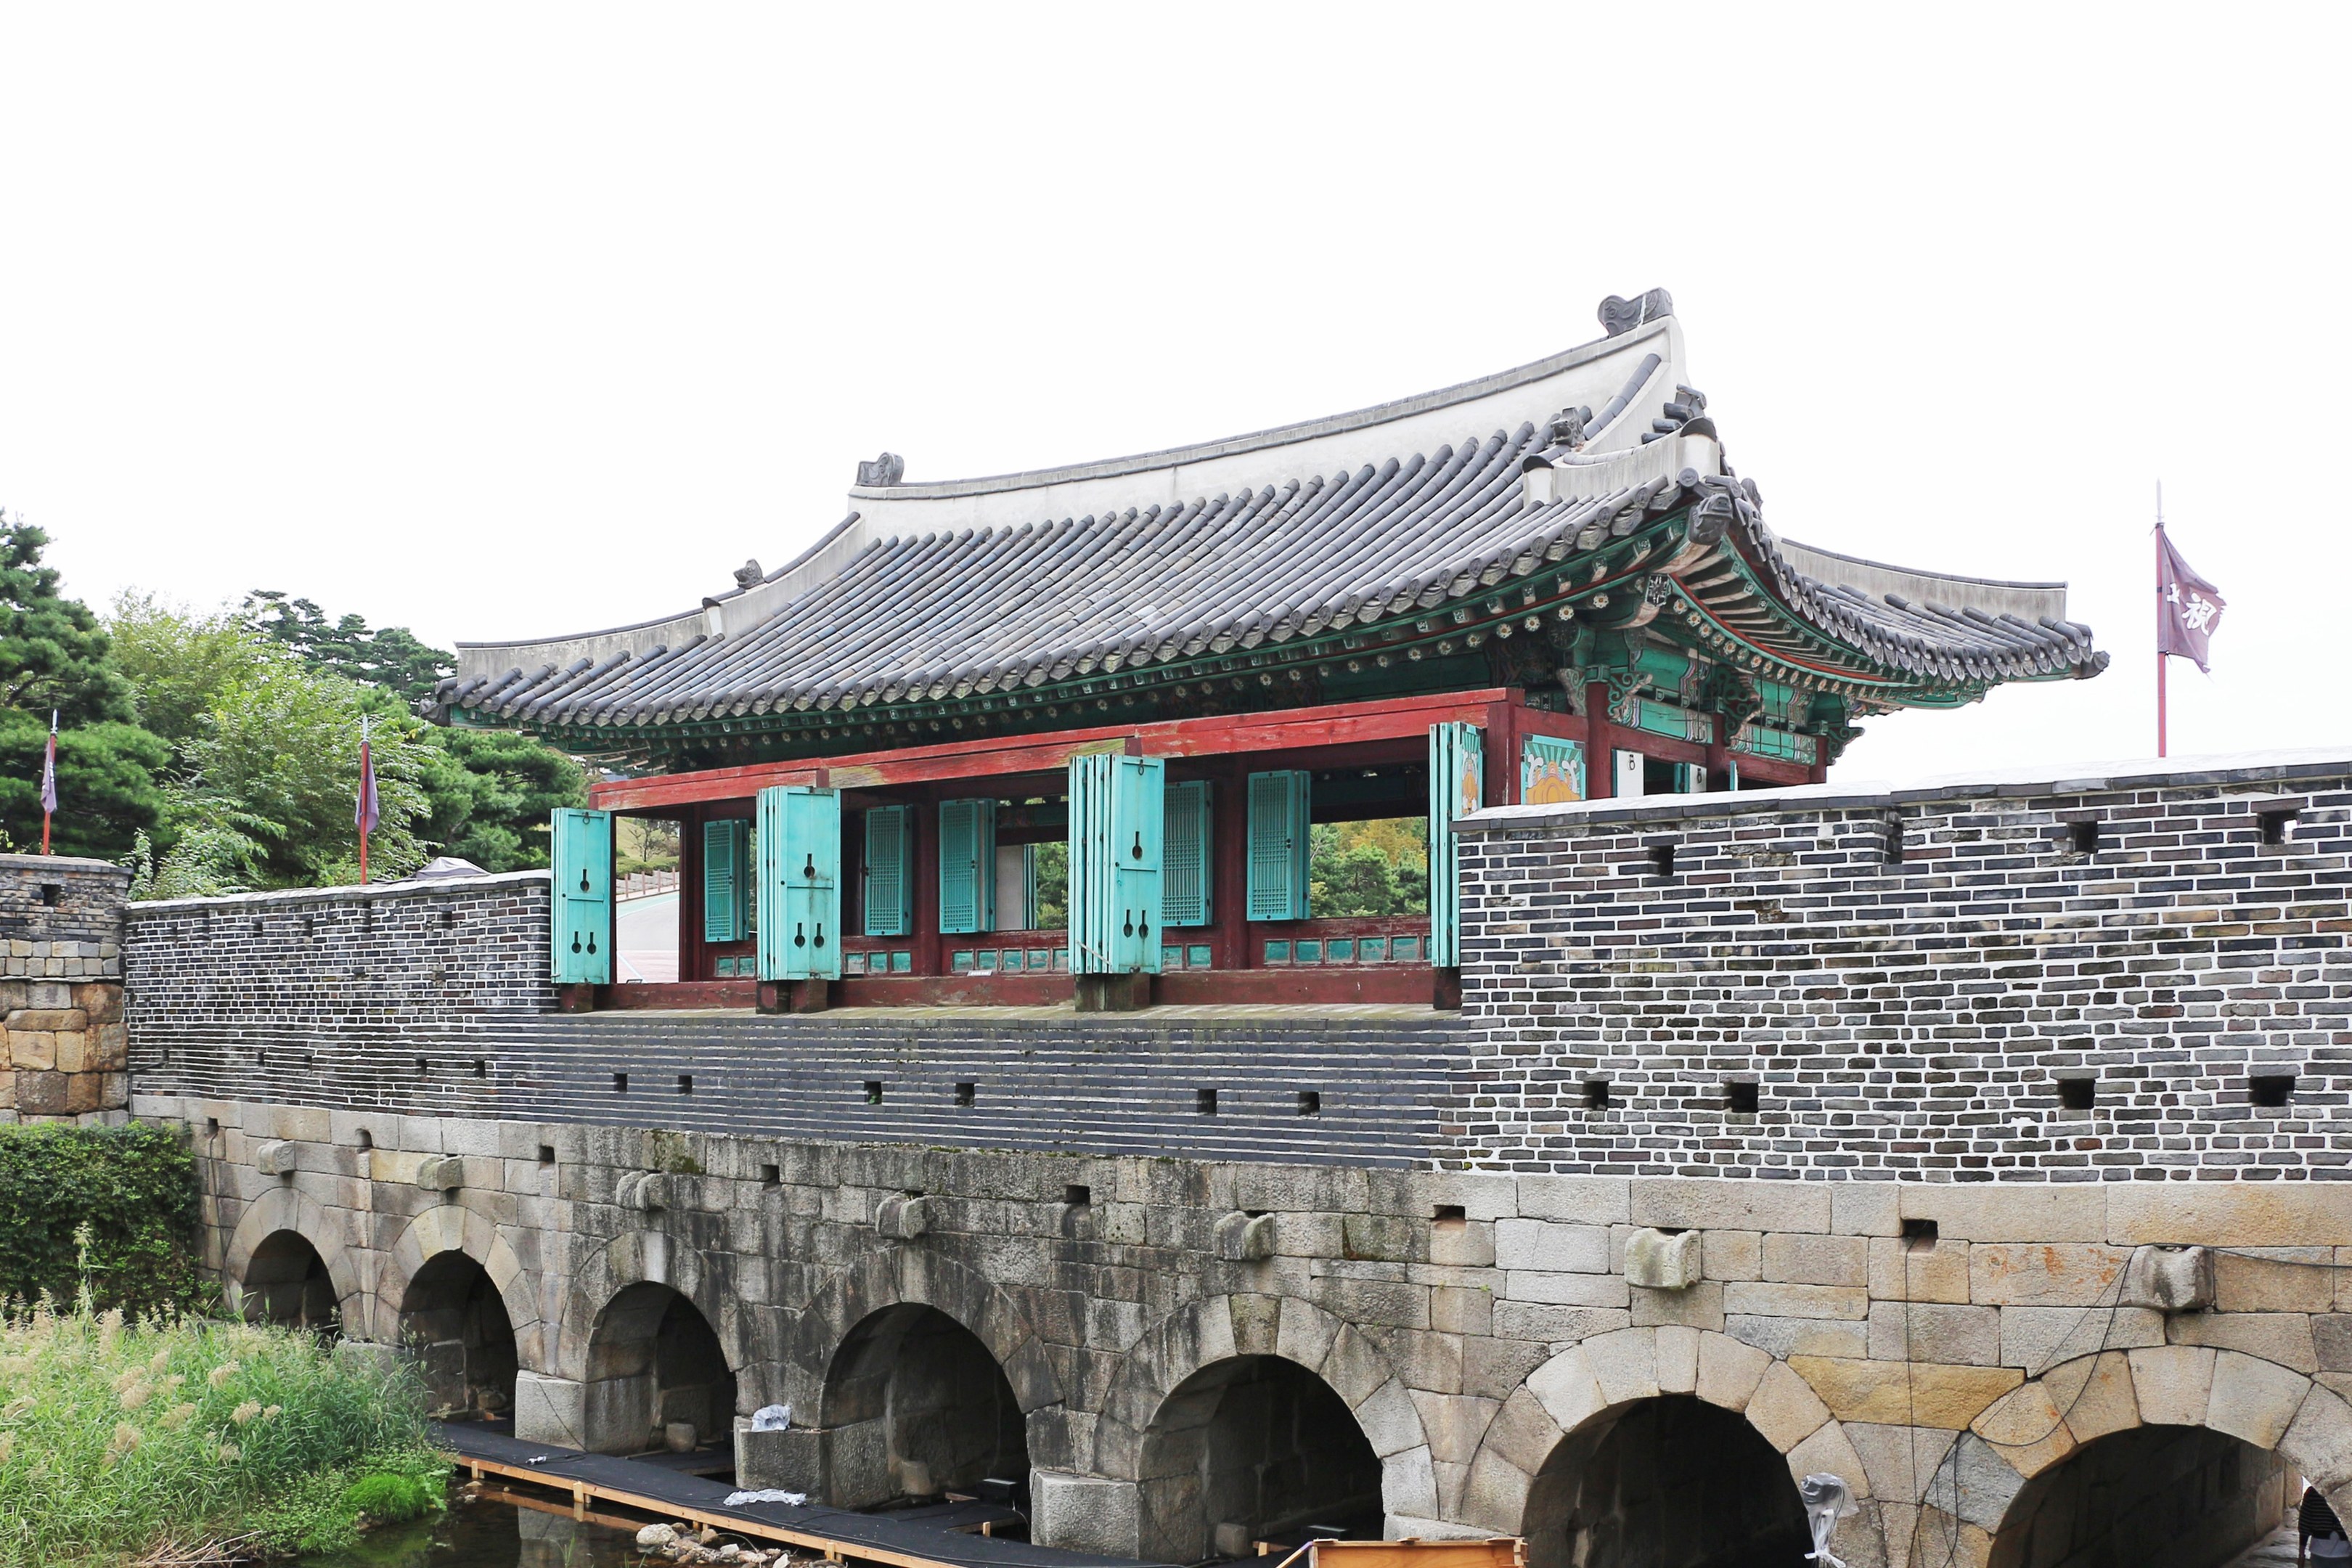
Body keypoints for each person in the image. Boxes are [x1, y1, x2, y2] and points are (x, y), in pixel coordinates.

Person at [2301, 1485, 2351, 1567]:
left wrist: (2301, 1553)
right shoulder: (2348, 1490)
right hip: (2344, 1552)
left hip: (2318, 1552)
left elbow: (2304, 1524)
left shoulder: (2312, 1492)